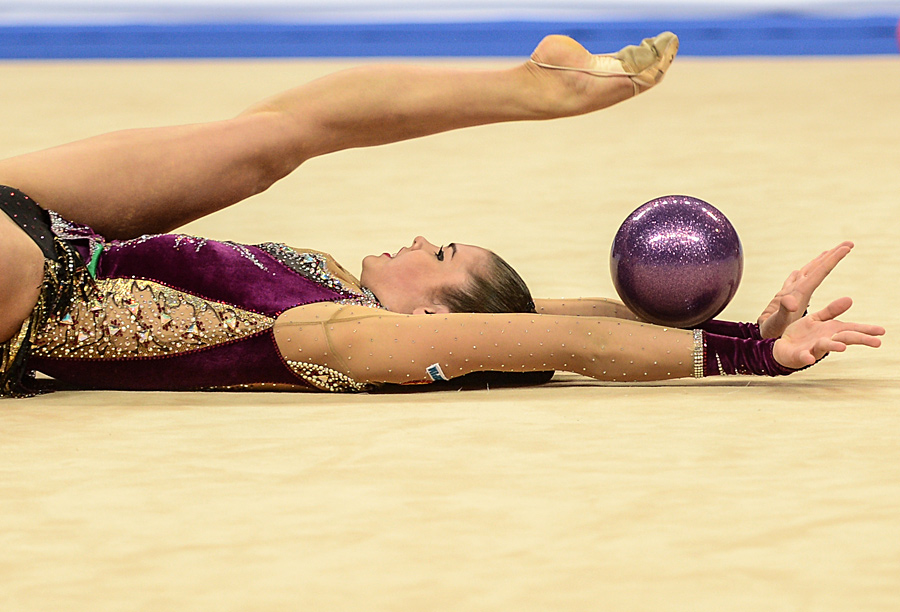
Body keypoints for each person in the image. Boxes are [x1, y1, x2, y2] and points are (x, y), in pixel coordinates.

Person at [0, 32, 884, 396]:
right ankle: (533, 90)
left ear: (426, 317)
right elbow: (548, 318)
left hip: (21, 297)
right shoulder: (326, 280)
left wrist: (752, 357)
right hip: (54, 226)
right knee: (272, 138)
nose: (422, 236)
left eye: (445, 252)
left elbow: (558, 345)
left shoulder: (330, 335)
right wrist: (741, 322)